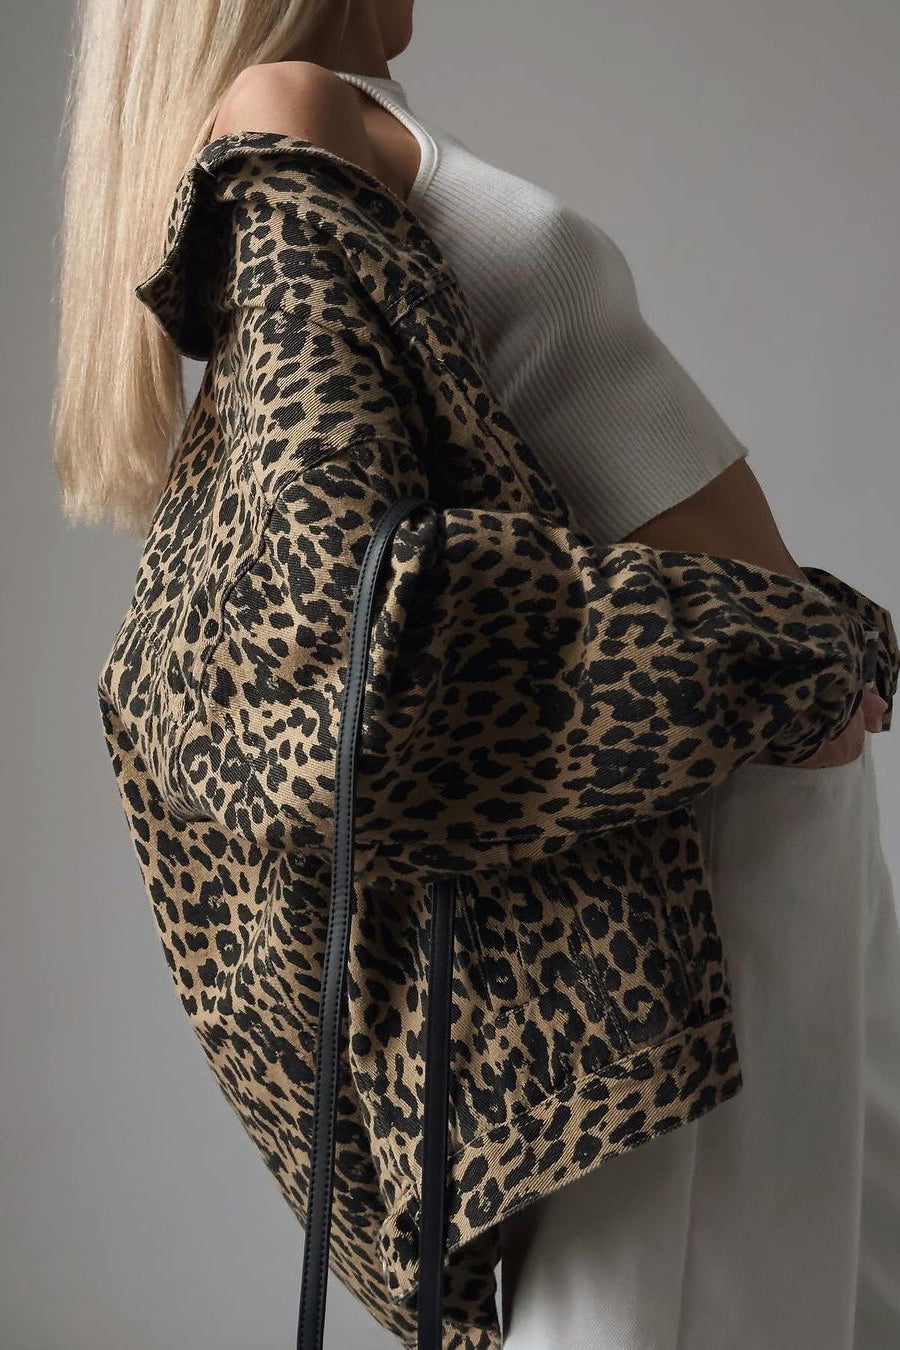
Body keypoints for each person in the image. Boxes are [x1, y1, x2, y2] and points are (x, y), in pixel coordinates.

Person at [53, 2, 899, 1346]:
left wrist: (801, 665)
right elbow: (340, 613)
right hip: (688, 844)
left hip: (767, 783)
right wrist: (759, 661)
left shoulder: (345, 110)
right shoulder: (287, 110)